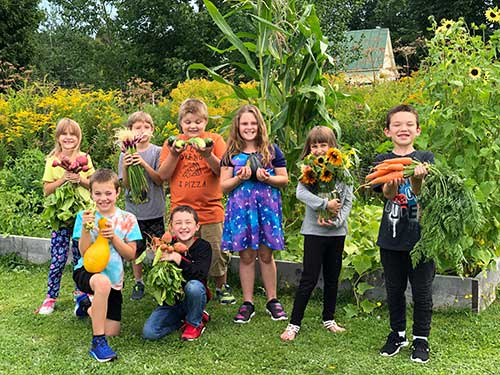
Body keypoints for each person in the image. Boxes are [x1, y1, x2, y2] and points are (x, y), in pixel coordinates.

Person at [158, 98, 235, 305]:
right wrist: (174, 154)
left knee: (217, 252)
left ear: (205, 122)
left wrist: (208, 156)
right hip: (180, 212)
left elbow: (223, 171)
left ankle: (220, 286)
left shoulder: (214, 141)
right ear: (181, 123)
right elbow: (163, 175)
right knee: (179, 250)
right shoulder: (172, 143)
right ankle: (182, 285)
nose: (193, 126)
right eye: (188, 121)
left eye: (198, 122)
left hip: (210, 210)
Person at [374, 104, 434, 364]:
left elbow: (423, 196)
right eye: (397, 125)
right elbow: (386, 196)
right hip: (391, 236)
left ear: (417, 130)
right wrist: (391, 185)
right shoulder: (382, 161)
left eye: (409, 124)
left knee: (422, 292)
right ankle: (397, 334)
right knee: (394, 289)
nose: (403, 129)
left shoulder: (426, 158)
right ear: (388, 131)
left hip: (422, 238)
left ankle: (421, 339)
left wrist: (417, 180)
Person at [280, 126, 353, 341]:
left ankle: (329, 318)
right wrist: (324, 204)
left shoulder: (343, 171)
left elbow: (347, 200)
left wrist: (337, 220)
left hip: (336, 233)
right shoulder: (309, 170)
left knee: (332, 277)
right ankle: (294, 324)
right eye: (315, 145)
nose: (320, 149)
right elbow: (301, 192)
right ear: (309, 148)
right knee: (309, 278)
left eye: (324, 145)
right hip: (314, 232)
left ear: (333, 147)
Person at [220, 104, 288, 324]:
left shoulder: (271, 150)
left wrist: (267, 178)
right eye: (244, 123)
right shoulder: (230, 154)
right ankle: (247, 302)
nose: (249, 127)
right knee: (247, 256)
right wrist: (240, 178)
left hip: (266, 211)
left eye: (252, 123)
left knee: (267, 255)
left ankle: (272, 300)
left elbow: (284, 180)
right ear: (237, 127)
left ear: (259, 125)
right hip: (242, 211)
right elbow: (224, 186)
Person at [73, 169, 142, 362]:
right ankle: (98, 343)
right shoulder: (85, 215)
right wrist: (87, 228)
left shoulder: (128, 219)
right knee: (101, 283)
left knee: (113, 330)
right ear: (91, 194)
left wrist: (114, 238)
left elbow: (130, 255)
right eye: (98, 193)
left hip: (114, 279)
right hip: (87, 271)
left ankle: (86, 305)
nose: (103, 198)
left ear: (117, 193)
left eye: (108, 193)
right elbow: (84, 252)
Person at [36, 118, 95, 315]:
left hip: (81, 215)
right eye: (64, 134)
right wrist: (62, 179)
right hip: (60, 216)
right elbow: (46, 190)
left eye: (73, 134)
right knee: (58, 259)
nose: (68, 137)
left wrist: (80, 179)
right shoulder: (52, 160)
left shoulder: (85, 158)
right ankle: (50, 297)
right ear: (58, 137)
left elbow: (94, 185)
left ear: (79, 138)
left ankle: (81, 295)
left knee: (81, 257)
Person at [143, 205, 212, 341]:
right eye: (178, 223)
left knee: (193, 286)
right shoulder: (167, 246)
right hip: (172, 301)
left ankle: (194, 323)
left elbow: (200, 274)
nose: (183, 227)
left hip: (194, 296)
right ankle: (186, 319)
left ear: (197, 226)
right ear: (172, 227)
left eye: (188, 222)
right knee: (149, 333)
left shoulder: (203, 247)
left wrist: (179, 259)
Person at [118, 111, 165, 300]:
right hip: (134, 213)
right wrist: (126, 167)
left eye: (146, 127)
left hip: (155, 210)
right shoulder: (125, 153)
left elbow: (160, 180)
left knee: (159, 249)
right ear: (129, 131)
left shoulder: (158, 152)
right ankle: (139, 282)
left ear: (152, 130)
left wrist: (143, 163)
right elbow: (126, 185)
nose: (142, 131)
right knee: (136, 249)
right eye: (137, 127)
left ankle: (159, 280)